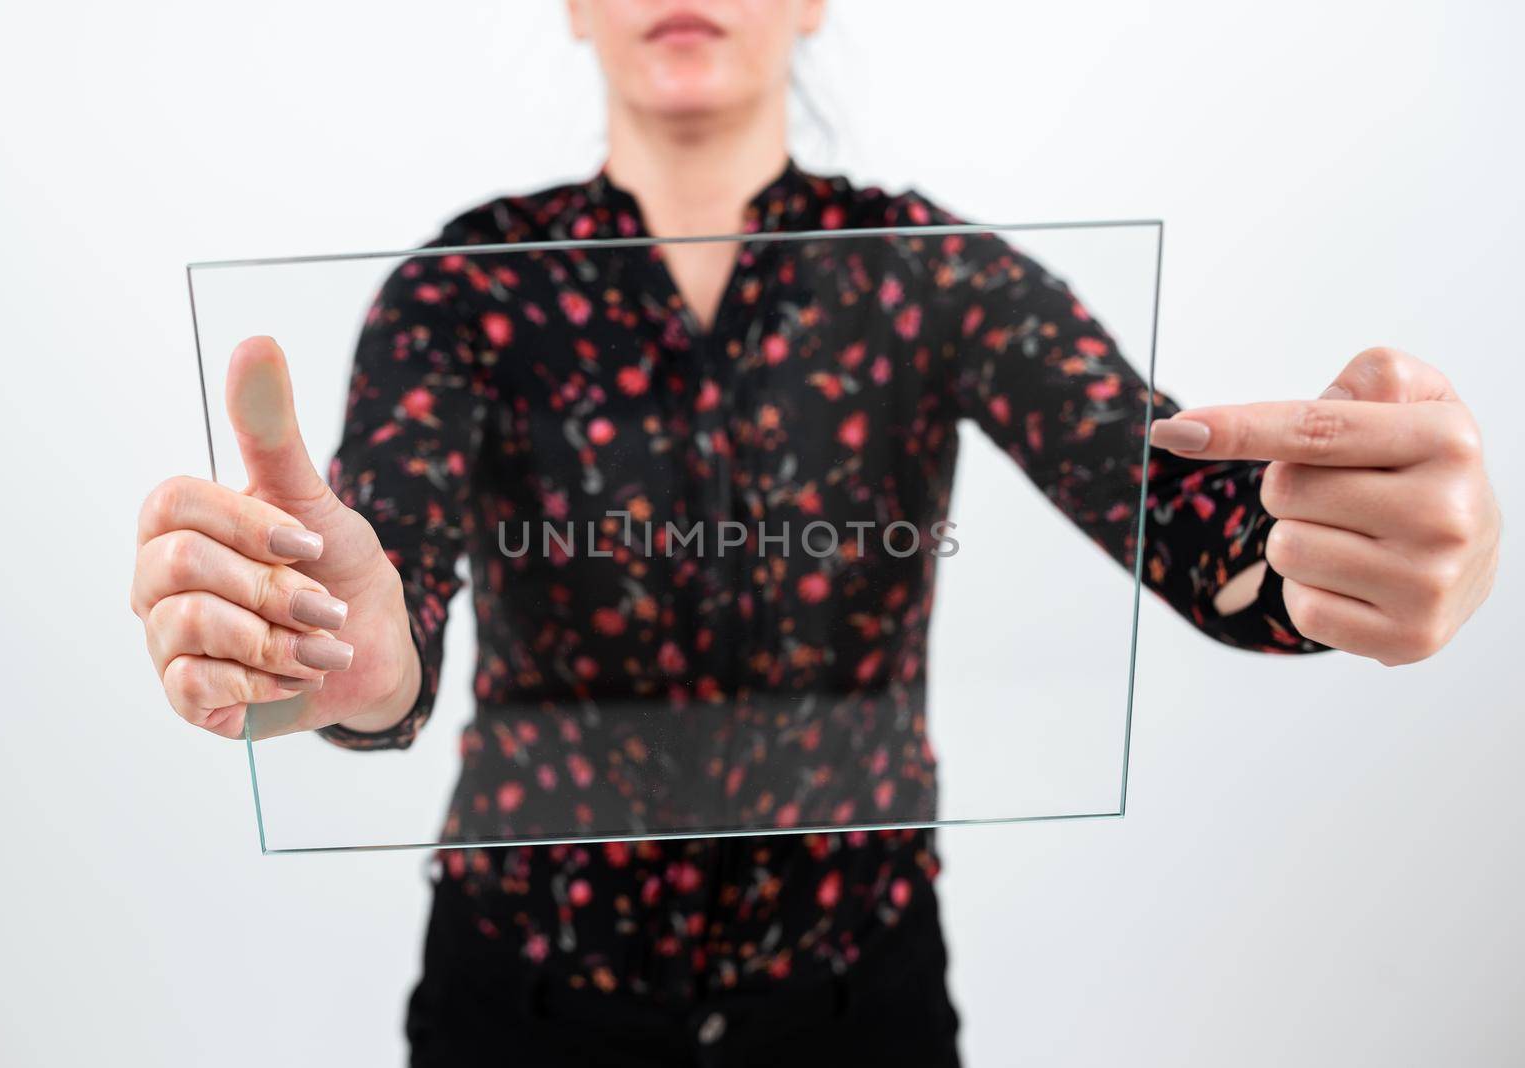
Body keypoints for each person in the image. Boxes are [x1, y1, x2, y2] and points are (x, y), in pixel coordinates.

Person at [130, 2, 1501, 1064]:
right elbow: (393, 599)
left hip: (859, 1005)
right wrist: (351, 651)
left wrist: (1360, 538)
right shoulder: (466, 292)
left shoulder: (934, 276)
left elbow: (1203, 529)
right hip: (523, 997)